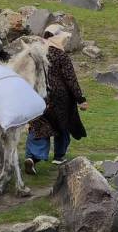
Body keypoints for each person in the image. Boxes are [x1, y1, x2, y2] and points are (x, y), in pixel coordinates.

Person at [25, 26, 87, 174]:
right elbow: (70, 79)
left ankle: (32, 157)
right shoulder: (61, 55)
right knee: (62, 125)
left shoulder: (36, 55)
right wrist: (81, 99)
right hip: (61, 97)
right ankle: (59, 156)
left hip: (40, 95)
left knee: (39, 125)